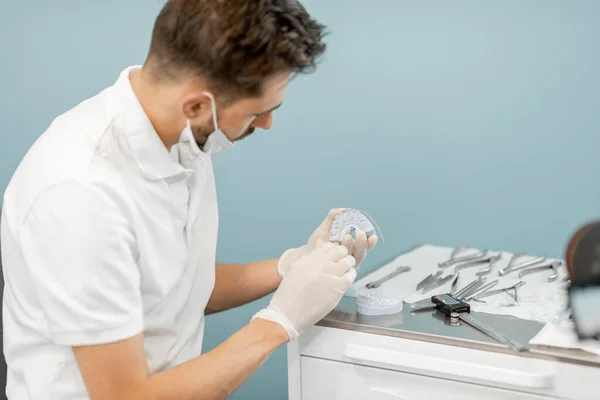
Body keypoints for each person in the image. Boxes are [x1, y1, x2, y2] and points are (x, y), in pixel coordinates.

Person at [0, 0, 378, 399]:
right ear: (198, 105)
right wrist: (277, 323)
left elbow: (175, 290)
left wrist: (291, 265)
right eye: (257, 113)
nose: (267, 124)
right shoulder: (80, 195)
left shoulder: (186, 137)